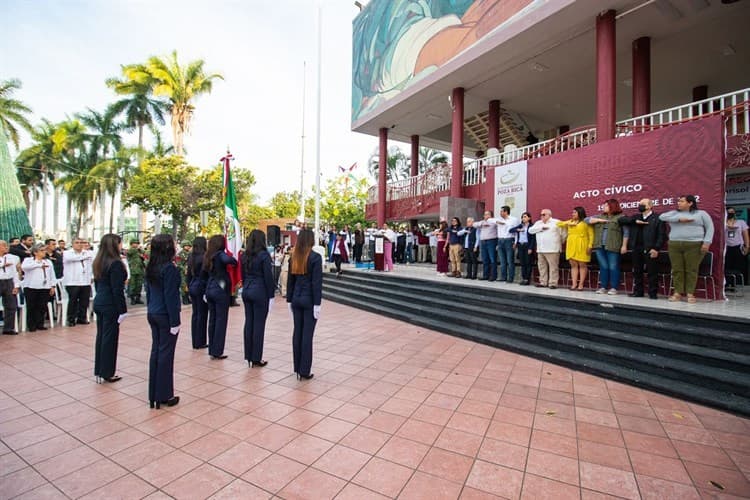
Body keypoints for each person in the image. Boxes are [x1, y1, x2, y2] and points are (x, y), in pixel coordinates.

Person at [144, 234, 181, 409]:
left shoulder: (152, 266)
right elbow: (171, 297)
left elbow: (150, 293)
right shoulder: (169, 268)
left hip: (153, 312)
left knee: (156, 352)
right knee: (166, 354)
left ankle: (154, 394)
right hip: (165, 315)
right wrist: (175, 321)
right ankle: (164, 394)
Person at [659, 195, 715, 303]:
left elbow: (710, 228)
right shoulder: (674, 213)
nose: (679, 203)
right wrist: (679, 219)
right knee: (677, 269)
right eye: (678, 201)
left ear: (690, 203)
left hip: (694, 244)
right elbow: (661, 217)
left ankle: (690, 293)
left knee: (692, 269)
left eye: (682, 201)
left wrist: (707, 242)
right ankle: (677, 293)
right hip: (675, 244)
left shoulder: (701, 214)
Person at [286, 229, 322, 380]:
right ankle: (304, 369)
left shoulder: (293, 256)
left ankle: (297, 367)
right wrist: (317, 304)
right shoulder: (315, 257)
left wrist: (289, 299)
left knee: (297, 333)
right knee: (307, 335)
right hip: (308, 300)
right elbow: (316, 283)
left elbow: (290, 281)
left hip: (296, 298)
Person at [92, 233, 127, 383]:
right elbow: (117, 289)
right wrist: (122, 310)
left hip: (100, 301)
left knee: (101, 337)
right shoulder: (115, 264)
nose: (121, 246)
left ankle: (100, 369)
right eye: (120, 243)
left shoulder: (99, 261)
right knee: (109, 339)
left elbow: (98, 284)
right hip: (110, 304)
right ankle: (107, 371)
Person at [241, 230, 275, 368]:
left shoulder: (244, 255)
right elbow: (268, 277)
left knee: (249, 322)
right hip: (259, 291)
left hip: (247, 289)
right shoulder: (264, 255)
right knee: (259, 324)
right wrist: (271, 295)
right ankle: (256, 357)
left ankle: (248, 355)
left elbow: (243, 274)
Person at [620, 198, 666, 299]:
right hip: (636, 248)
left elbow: (662, 235)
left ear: (649, 206)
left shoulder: (657, 218)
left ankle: (652, 293)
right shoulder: (636, 216)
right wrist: (635, 221)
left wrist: (656, 248)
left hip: (650, 248)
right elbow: (621, 219)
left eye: (642, 204)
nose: (640, 205)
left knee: (652, 271)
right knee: (637, 271)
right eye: (639, 203)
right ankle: (638, 292)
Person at [202, 235, 237, 359]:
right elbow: (231, 261)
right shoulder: (220, 255)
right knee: (221, 320)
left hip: (210, 289)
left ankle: (212, 349)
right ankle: (217, 351)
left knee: (212, 320)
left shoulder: (208, 255)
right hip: (220, 290)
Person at [586, 199, 629, 295]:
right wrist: (599, 220)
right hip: (599, 246)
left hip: (613, 245)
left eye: (606, 205)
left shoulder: (621, 217)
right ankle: (603, 287)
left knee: (613, 266)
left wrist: (624, 246)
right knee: (603, 267)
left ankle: (614, 288)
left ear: (612, 206)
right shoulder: (600, 216)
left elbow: (626, 232)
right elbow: (586, 220)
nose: (603, 207)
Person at [21, 243, 56, 331]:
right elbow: (24, 267)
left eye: (44, 250)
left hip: (44, 286)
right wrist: (38, 265)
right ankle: (31, 325)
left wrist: (52, 286)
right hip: (31, 286)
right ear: (35, 252)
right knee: (32, 306)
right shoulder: (28, 260)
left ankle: (40, 323)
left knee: (42, 306)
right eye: (42, 250)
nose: (44, 252)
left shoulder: (48, 261)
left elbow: (52, 275)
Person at [558, 207, 594, 290]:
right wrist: (569, 224)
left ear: (580, 213)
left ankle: (581, 284)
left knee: (582, 265)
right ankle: (574, 284)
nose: (573, 214)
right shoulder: (570, 221)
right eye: (572, 212)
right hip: (571, 245)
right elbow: (559, 224)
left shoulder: (586, 221)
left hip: (582, 244)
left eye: (575, 212)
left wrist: (590, 246)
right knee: (573, 265)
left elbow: (591, 235)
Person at [63, 238, 94, 326]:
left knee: (84, 301)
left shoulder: (87, 253)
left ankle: (82, 318)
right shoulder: (67, 253)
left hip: (85, 280)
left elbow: (92, 265)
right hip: (72, 281)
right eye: (77, 243)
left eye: (81, 243)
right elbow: (72, 259)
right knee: (73, 301)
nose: (79, 244)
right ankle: (71, 319)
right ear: (72, 244)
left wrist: (92, 276)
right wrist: (85, 256)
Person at [529, 209, 563, 288]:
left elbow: (563, 233)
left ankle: (553, 283)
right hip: (540, 249)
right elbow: (530, 230)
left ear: (549, 215)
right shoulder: (538, 223)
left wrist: (558, 243)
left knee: (553, 267)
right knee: (542, 267)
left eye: (544, 214)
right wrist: (541, 228)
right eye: (541, 214)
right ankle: (543, 282)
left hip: (552, 249)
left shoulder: (556, 222)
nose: (542, 216)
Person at [186, 237, 208, 349]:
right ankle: (201, 341)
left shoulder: (191, 256)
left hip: (193, 285)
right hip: (201, 286)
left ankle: (195, 341)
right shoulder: (204, 257)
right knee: (202, 314)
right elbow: (206, 274)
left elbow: (188, 274)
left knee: (195, 314)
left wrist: (189, 287)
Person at [0, 240, 21, 334]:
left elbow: (15, 273)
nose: (6, 247)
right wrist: (1, 265)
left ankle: (8, 328)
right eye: (4, 245)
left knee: (11, 306)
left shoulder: (13, 258)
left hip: (9, 282)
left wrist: (16, 286)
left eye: (7, 245)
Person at [724, 206, 749, 284]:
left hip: (738, 247)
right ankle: (728, 284)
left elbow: (745, 235)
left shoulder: (741, 222)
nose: (730, 213)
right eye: (729, 212)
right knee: (727, 266)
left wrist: (747, 246)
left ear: (734, 213)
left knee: (740, 266)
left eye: (732, 212)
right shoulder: (723, 223)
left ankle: (739, 283)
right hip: (727, 248)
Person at [511, 212, 536, 285]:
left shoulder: (531, 226)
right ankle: (523, 278)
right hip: (520, 246)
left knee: (528, 263)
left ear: (529, 218)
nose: (523, 218)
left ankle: (527, 279)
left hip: (527, 245)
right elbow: (511, 230)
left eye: (525, 217)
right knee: (522, 263)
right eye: (522, 217)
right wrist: (518, 230)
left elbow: (533, 239)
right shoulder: (520, 225)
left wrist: (531, 248)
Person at [496, 205, 519, 283]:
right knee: (502, 261)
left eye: (502, 211)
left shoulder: (514, 220)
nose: (500, 213)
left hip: (509, 240)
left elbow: (516, 231)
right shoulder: (498, 220)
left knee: (510, 260)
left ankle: (510, 278)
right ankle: (503, 277)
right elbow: (490, 221)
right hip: (500, 240)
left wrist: (515, 242)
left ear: (506, 212)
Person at [474, 211, 499, 281]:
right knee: (485, 259)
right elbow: (474, 224)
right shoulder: (482, 222)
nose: (486, 216)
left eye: (488, 214)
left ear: (491, 216)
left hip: (491, 241)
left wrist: (489, 221)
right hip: (483, 242)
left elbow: (497, 222)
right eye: (485, 214)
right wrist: (482, 224)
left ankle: (493, 276)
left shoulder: (493, 221)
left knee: (492, 259)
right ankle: (485, 275)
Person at [126, 240, 146, 305]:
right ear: (131, 244)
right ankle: (132, 299)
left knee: (139, 285)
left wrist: (141, 251)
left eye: (137, 243)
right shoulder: (131, 250)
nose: (136, 244)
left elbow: (145, 253)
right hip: (133, 270)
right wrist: (137, 249)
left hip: (140, 270)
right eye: (135, 243)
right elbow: (129, 252)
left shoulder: (139, 251)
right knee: (132, 285)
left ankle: (138, 298)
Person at [176, 241, 192, 305]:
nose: (188, 247)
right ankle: (184, 299)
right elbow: (178, 264)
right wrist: (184, 269)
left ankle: (188, 298)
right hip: (183, 272)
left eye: (188, 246)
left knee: (188, 284)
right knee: (183, 285)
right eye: (186, 246)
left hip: (189, 271)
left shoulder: (190, 253)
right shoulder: (180, 254)